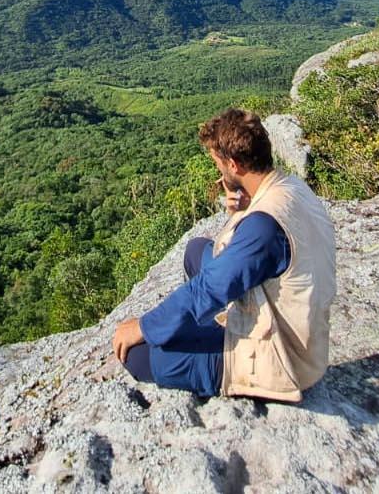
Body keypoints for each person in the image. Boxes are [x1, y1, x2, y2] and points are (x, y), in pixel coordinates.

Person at [111, 108, 337, 401]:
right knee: (196, 252)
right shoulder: (290, 187)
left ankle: (216, 349)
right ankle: (204, 329)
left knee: (138, 354)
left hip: (282, 357)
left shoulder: (264, 228)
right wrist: (241, 211)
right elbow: (248, 254)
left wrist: (144, 326)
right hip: (301, 329)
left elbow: (208, 289)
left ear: (234, 164)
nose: (218, 172)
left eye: (218, 164)